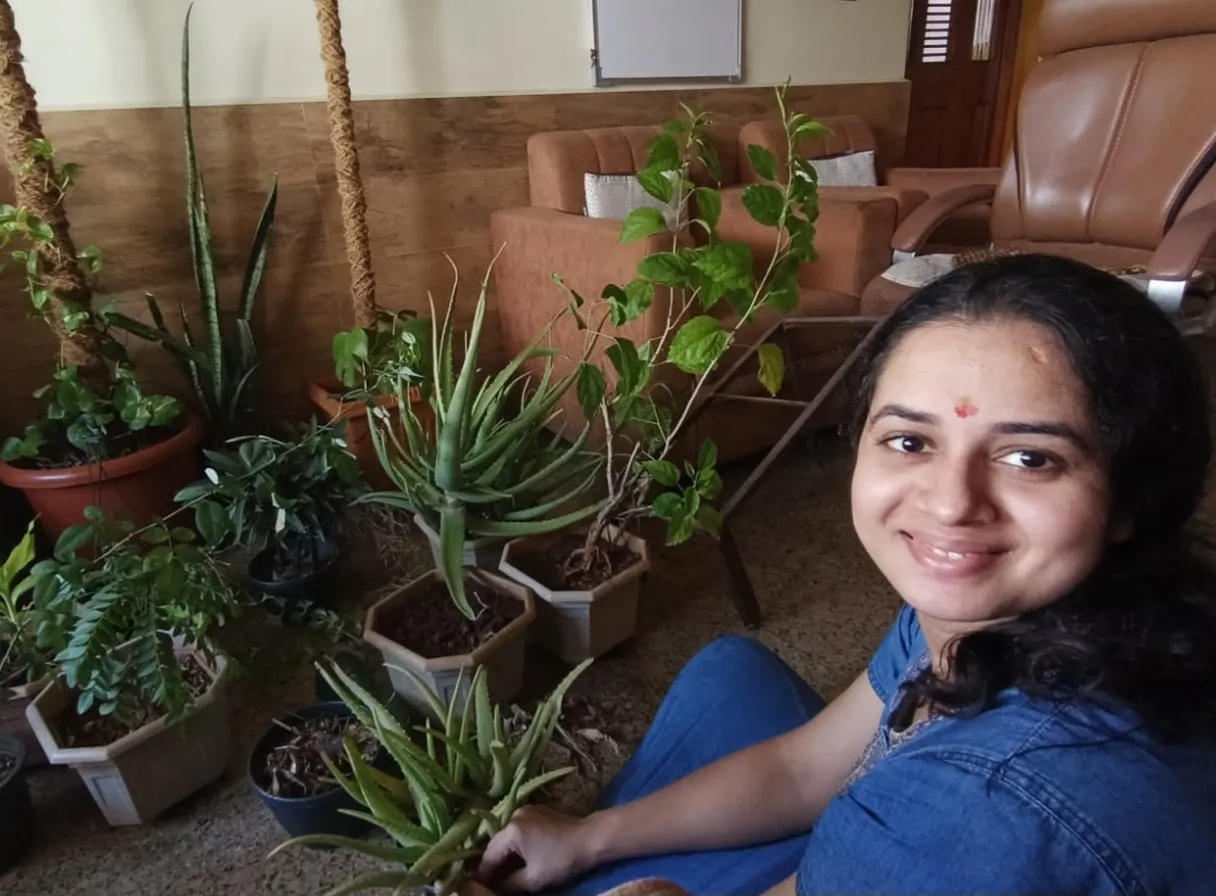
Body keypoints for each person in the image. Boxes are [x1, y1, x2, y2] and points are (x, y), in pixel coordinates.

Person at [477, 254, 1216, 895]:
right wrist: (587, 836)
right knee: (729, 667)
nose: (951, 503)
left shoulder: (992, 811)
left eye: (1031, 457)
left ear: (1133, 495)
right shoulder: (982, 611)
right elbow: (808, 769)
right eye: (909, 440)